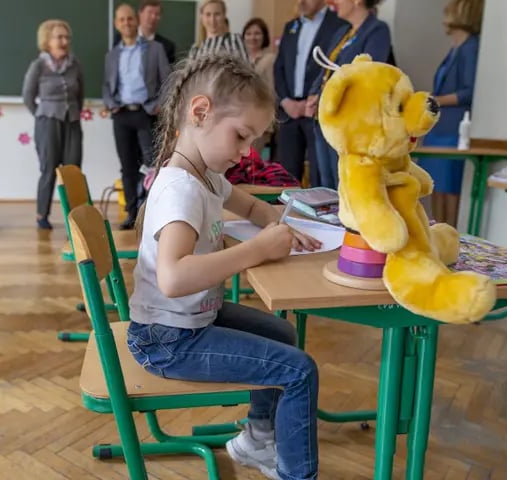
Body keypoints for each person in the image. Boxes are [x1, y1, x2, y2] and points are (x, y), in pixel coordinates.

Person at [127, 53, 322, 480]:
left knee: (283, 334)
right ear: (200, 113)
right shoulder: (181, 190)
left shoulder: (206, 175)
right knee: (299, 370)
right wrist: (257, 251)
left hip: (187, 322)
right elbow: (174, 277)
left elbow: (249, 204)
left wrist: (279, 221)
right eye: (240, 136)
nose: (246, 151)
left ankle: (255, 439)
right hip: (168, 340)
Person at [306, 0, 394, 189]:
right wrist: (314, 94)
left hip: (349, 123)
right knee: (326, 184)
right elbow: (326, 68)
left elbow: (368, 74)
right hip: (326, 118)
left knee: (344, 185)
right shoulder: (343, 32)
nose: (334, 2)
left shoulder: (377, 30)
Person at [102, 3, 170, 230]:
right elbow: (107, 85)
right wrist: (110, 104)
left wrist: (159, 105)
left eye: (130, 19)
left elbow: (168, 81)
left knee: (151, 165)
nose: (126, 23)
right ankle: (131, 213)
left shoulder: (155, 49)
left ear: (137, 20)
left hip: (146, 113)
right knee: (127, 166)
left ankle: (152, 212)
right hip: (121, 115)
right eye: (121, 20)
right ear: (116, 24)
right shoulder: (112, 55)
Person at [416, 0, 483, 228]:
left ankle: (449, 235)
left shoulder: (471, 47)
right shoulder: (455, 48)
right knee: (436, 187)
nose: (444, 14)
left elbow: (469, 91)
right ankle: (436, 232)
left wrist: (435, 100)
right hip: (439, 128)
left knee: (450, 188)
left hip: (453, 130)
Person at [274, 0, 347, 186]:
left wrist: (317, 100)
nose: (301, 2)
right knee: (286, 178)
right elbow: (279, 67)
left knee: (321, 179)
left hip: (319, 113)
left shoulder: (339, 25)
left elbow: (340, 69)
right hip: (290, 113)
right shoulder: (292, 26)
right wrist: (285, 101)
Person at [22, 19, 84, 230]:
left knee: (73, 171)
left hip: (72, 121)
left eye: (67, 37)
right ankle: (42, 216)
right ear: (47, 41)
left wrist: (74, 113)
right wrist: (42, 116)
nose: (64, 41)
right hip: (47, 122)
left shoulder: (74, 64)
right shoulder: (38, 65)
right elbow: (28, 96)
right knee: (48, 170)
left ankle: (75, 220)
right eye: (59, 37)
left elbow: (80, 95)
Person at [242, 17, 276, 156]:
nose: (252, 37)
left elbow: (271, 91)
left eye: (257, 33)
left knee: (254, 160)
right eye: (249, 34)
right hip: (241, 119)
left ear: (264, 36)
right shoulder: (241, 59)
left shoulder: (270, 59)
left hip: (260, 119)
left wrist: (269, 121)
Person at [112, 0, 176, 64]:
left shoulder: (167, 47)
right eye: (150, 12)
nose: (153, 17)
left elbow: (168, 73)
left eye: (157, 14)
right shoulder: (120, 40)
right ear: (140, 13)